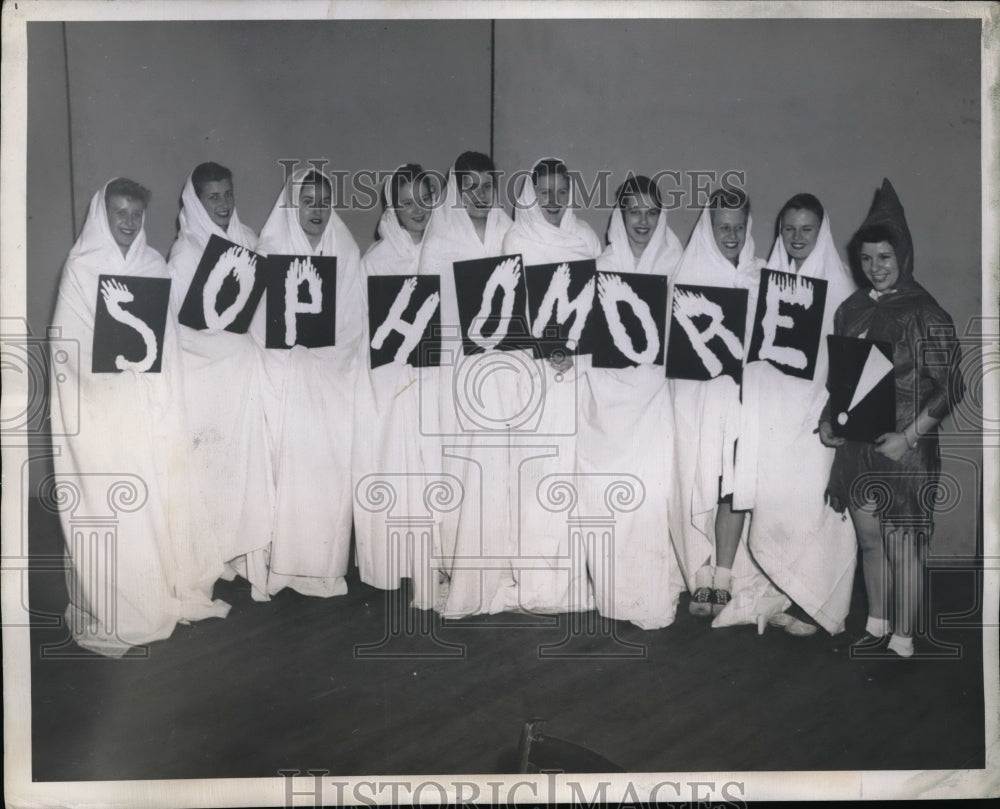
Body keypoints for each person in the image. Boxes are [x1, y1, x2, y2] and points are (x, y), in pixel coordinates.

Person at [49, 177, 229, 657]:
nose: (128, 223)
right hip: (103, 411)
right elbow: (67, 348)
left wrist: (152, 383)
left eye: (135, 214)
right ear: (101, 216)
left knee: (152, 501)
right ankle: (120, 601)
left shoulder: (153, 265)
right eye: (118, 214)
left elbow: (166, 343)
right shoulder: (81, 269)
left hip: (145, 408)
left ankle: (156, 591)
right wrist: (110, 377)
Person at [820, 178, 964, 658]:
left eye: (884, 257)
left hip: (905, 450)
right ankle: (877, 621)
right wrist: (829, 421)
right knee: (869, 539)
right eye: (866, 259)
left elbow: (954, 386)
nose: (875, 268)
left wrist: (908, 437)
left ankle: (904, 632)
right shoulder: (850, 309)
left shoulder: (926, 313)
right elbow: (841, 380)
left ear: (902, 256)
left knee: (904, 544)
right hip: (859, 447)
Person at [716, 193, 858, 636]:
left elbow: (847, 365)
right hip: (770, 413)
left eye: (807, 229)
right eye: (789, 229)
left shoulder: (842, 290)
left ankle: (814, 604)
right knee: (774, 508)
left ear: (822, 232)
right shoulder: (762, 281)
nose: (797, 238)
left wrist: (830, 412)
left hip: (813, 417)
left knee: (810, 510)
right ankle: (774, 591)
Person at [575, 174, 686, 630]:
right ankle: (613, 593)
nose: (642, 220)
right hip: (607, 401)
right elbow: (578, 333)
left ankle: (653, 594)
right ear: (621, 215)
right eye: (634, 210)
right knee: (606, 496)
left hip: (656, 397)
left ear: (660, 216)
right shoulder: (598, 265)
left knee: (650, 497)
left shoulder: (679, 265)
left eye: (651, 211)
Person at [252, 166, 364, 598]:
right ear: (292, 205)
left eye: (323, 201)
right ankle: (280, 566)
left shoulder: (346, 248)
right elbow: (258, 321)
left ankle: (323, 567)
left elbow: (355, 317)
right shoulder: (272, 248)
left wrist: (327, 352)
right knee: (285, 468)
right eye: (308, 201)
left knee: (329, 472)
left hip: (332, 375)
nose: (316, 210)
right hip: (286, 376)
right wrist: (292, 351)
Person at [416, 151, 517, 618]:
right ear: (457, 190)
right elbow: (430, 309)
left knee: (499, 465)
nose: (479, 196)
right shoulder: (439, 239)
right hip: (457, 368)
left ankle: (498, 569)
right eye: (469, 186)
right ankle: (457, 568)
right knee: (460, 468)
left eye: (487, 186)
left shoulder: (508, 231)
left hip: (502, 368)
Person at [167, 162, 274, 601]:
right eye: (213, 197)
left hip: (242, 378)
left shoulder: (248, 239)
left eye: (228, 194)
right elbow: (178, 326)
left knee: (246, 472)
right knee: (209, 475)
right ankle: (209, 561)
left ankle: (245, 557)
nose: (224, 204)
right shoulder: (185, 252)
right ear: (196, 201)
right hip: (205, 381)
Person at [500, 157, 603, 614]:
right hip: (533, 369)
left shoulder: (586, 237)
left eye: (562, 191)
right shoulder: (516, 238)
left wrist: (572, 347)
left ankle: (572, 578)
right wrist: (545, 346)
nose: (554, 200)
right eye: (545, 192)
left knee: (572, 471)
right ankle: (537, 581)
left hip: (578, 368)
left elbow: (596, 302)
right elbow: (508, 307)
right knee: (537, 470)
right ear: (532, 194)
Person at [668, 187, 765, 623]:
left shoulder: (761, 276)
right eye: (724, 227)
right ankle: (699, 571)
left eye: (739, 227)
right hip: (700, 398)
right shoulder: (684, 274)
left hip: (742, 399)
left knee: (732, 485)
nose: (732, 235)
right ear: (709, 228)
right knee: (700, 478)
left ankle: (723, 576)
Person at [353, 164, 440, 609]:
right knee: (400, 468)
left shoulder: (449, 249)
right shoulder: (376, 260)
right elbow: (365, 327)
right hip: (395, 381)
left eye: (424, 200)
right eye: (406, 203)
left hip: (439, 378)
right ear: (394, 208)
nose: (417, 210)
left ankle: (440, 563)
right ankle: (401, 562)